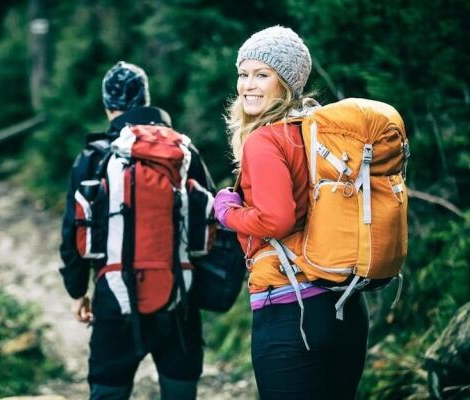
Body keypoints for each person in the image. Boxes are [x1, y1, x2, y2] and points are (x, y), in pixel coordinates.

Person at [213, 26, 369, 399]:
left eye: (262, 75)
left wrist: (227, 213)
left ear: (286, 82)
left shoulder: (266, 140)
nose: (248, 85)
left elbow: (276, 220)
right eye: (243, 73)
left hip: (291, 312)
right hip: (345, 305)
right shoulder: (320, 133)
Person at [59, 61, 215, 400]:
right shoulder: (183, 152)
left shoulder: (94, 156)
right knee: (180, 391)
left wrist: (77, 291)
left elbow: (72, 233)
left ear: (107, 107)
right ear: (146, 100)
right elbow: (212, 221)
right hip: (180, 300)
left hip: (115, 299)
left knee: (109, 391)